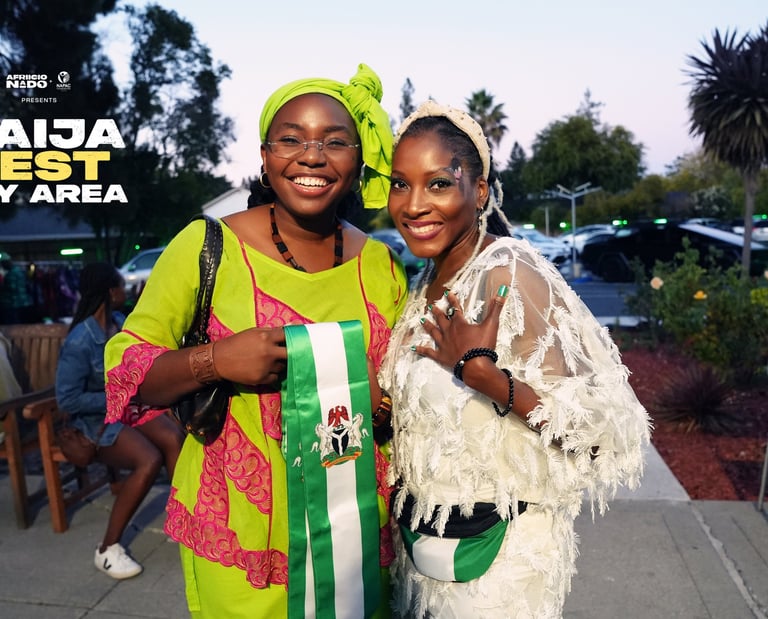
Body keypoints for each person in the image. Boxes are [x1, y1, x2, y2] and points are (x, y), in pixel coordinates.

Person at [104, 63, 407, 618]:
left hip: (356, 532)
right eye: (290, 139)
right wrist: (215, 359)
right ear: (265, 157)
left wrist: (386, 409)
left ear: (358, 160)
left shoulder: (381, 265)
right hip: (244, 538)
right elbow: (129, 369)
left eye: (335, 142)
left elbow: (402, 381)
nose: (312, 156)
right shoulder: (207, 245)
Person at [379, 100, 652, 618]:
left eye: (438, 183)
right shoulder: (423, 284)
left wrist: (489, 379)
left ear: (478, 191)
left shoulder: (509, 273)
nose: (413, 204)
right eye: (400, 183)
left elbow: (606, 429)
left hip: (498, 567)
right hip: (425, 556)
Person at [55, 262, 185, 580]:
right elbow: (67, 400)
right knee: (149, 459)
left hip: (126, 410)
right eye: (119, 287)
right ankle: (107, 549)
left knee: (175, 436)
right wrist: (116, 394)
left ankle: (182, 521)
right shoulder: (79, 341)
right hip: (96, 423)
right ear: (109, 292)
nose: (123, 292)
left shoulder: (118, 322)